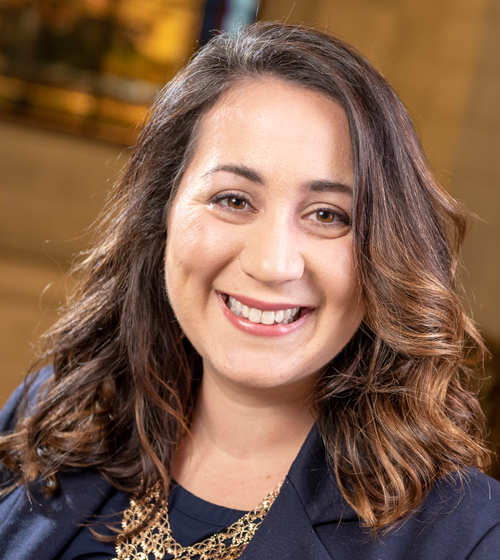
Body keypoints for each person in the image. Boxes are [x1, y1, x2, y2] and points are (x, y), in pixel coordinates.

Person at [0, 21, 499, 560]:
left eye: (328, 215)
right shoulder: (49, 414)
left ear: (386, 251)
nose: (272, 264)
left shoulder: (468, 536)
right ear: (162, 211)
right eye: (234, 200)